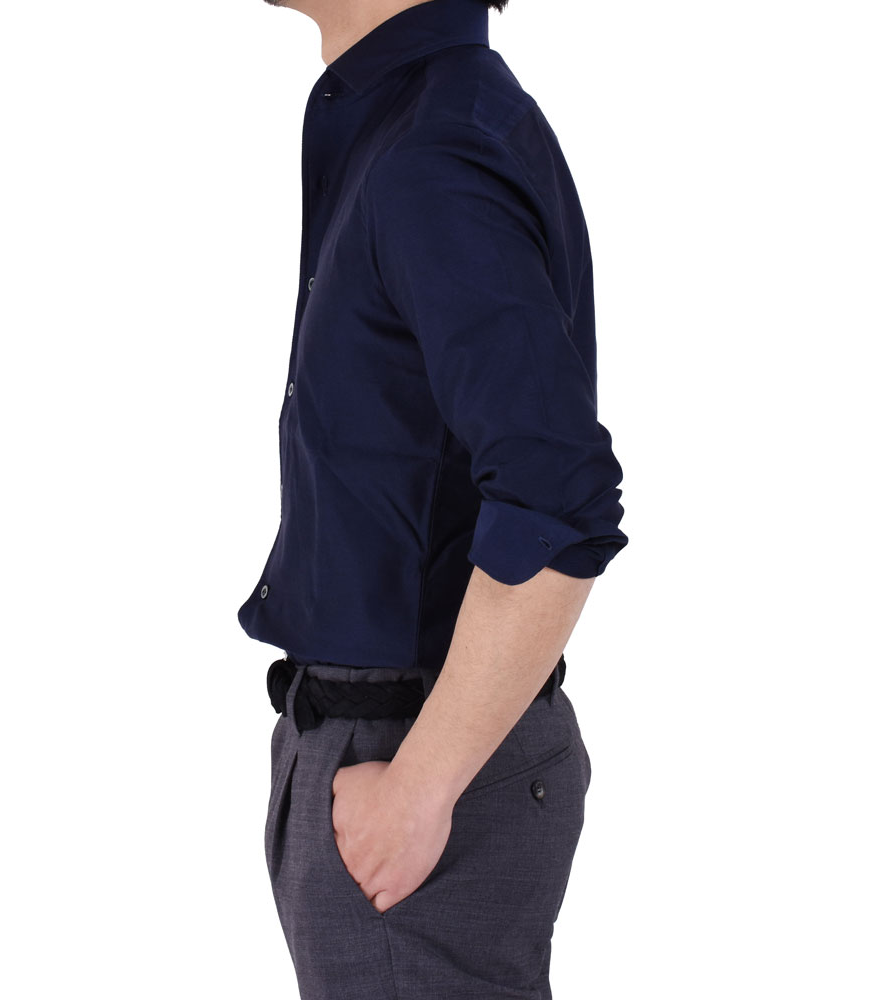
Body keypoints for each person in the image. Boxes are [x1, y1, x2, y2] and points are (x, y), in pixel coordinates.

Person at [238, 0, 628, 996]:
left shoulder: (432, 151)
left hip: (420, 765)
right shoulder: (405, 122)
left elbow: (559, 502)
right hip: (389, 748)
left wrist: (420, 786)